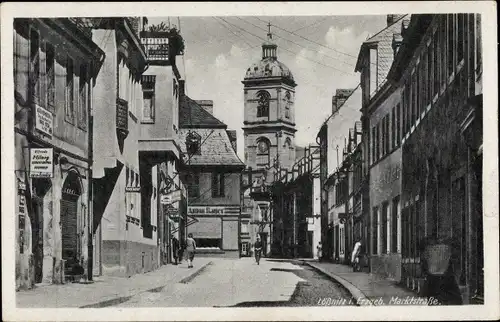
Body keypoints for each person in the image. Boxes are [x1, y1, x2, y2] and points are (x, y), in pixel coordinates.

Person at [421, 236, 463, 305]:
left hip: (433, 279)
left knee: (433, 302)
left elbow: (424, 265)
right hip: (447, 279)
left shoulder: (428, 250)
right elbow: (456, 265)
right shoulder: (447, 249)